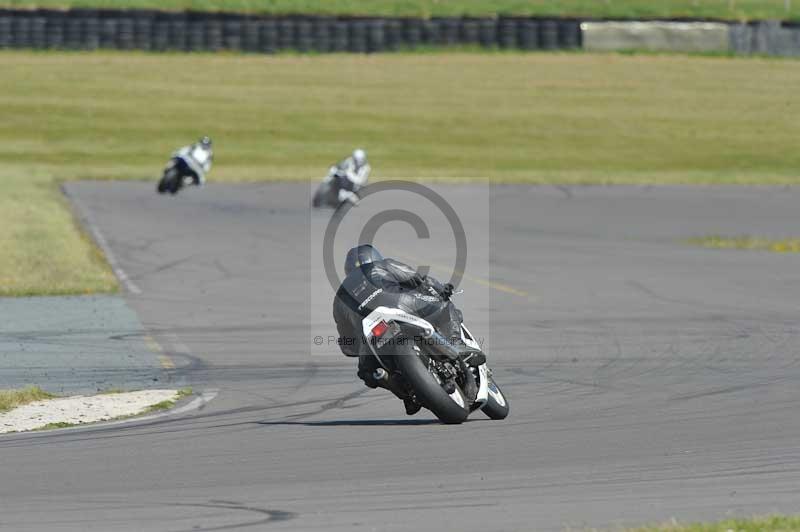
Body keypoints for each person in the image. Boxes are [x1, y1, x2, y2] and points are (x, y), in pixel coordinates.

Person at [332, 244, 483, 415]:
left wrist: (356, 350)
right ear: (376, 256)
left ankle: (405, 394)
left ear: (347, 269)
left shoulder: (339, 298)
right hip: (400, 304)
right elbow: (416, 279)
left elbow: (347, 344)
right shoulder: (382, 265)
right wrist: (440, 290)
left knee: (367, 372)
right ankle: (457, 344)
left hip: (370, 333)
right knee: (444, 306)